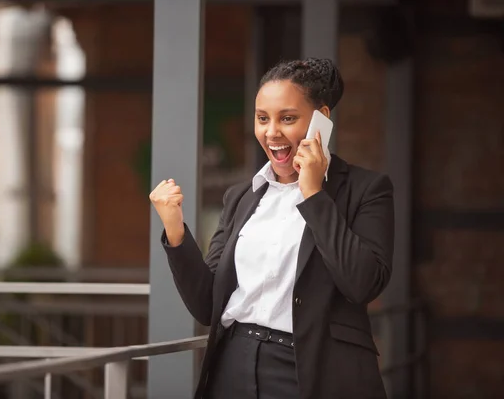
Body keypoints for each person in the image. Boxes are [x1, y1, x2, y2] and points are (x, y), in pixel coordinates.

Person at [149, 58, 394, 399]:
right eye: (262, 118)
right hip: (232, 365)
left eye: (287, 118)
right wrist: (175, 228)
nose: (271, 132)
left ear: (321, 120)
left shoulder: (366, 190)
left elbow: (362, 283)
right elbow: (207, 305)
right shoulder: (241, 197)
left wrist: (313, 194)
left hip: (311, 370)